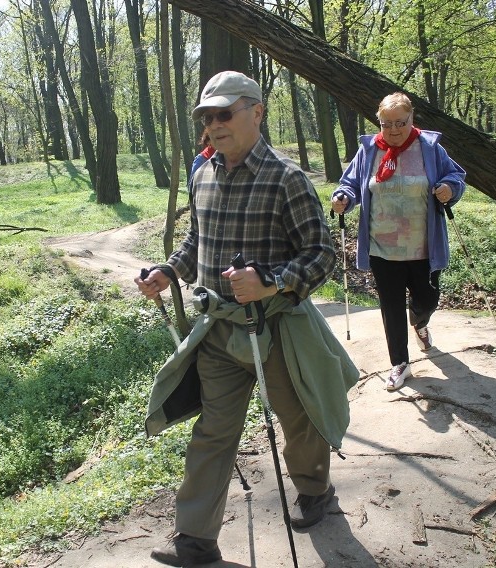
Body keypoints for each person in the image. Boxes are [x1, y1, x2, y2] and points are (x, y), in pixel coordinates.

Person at [136, 70, 358, 567]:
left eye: (224, 113)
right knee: (214, 430)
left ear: (256, 112)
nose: (214, 124)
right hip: (218, 330)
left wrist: (272, 281)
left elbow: (321, 253)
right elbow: (199, 244)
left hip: (275, 328)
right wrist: (170, 271)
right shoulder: (203, 174)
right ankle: (194, 539)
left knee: (297, 420)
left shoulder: (286, 177)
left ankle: (315, 489)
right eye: (206, 116)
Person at [331, 92, 466, 392]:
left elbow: (456, 176)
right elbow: (350, 184)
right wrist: (343, 199)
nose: (393, 130)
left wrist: (448, 188)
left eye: (400, 123)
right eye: (386, 124)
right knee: (390, 306)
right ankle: (399, 363)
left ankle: (419, 322)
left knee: (428, 298)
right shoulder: (368, 151)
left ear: (411, 119)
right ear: (378, 122)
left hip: (423, 246)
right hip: (382, 247)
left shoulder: (429, 148)